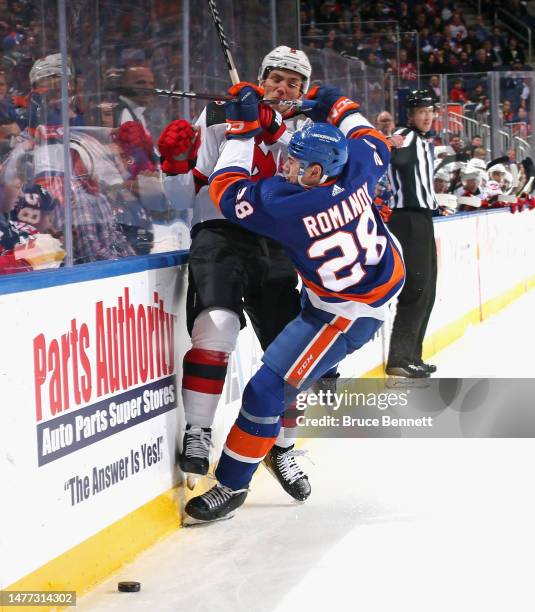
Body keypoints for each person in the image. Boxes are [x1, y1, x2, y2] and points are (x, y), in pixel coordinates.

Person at [184, 83, 404, 523]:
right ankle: (273, 451)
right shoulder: (359, 165)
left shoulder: (288, 206)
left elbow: (226, 188)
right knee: (284, 382)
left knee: (267, 389)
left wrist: (243, 130)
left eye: (297, 165)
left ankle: (232, 484)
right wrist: (332, 103)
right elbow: (366, 133)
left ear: (320, 174)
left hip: (344, 314)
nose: (286, 168)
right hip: (362, 285)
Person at [160, 47, 333, 501]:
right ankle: (198, 432)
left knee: (292, 354)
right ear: (261, 79)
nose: (283, 88)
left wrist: (272, 134)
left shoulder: (308, 130)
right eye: (276, 79)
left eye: (294, 83)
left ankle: (282, 447)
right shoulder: (220, 114)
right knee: (216, 325)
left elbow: (306, 187)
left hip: (275, 242)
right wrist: (176, 165)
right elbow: (182, 198)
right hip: (219, 233)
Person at [385, 89, 443, 379]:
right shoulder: (404, 135)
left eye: (430, 111)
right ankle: (399, 357)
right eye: (421, 111)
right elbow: (399, 161)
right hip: (406, 219)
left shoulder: (421, 140)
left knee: (428, 291)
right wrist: (393, 145)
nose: (427, 116)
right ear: (410, 114)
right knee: (416, 289)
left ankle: (412, 356)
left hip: (421, 218)